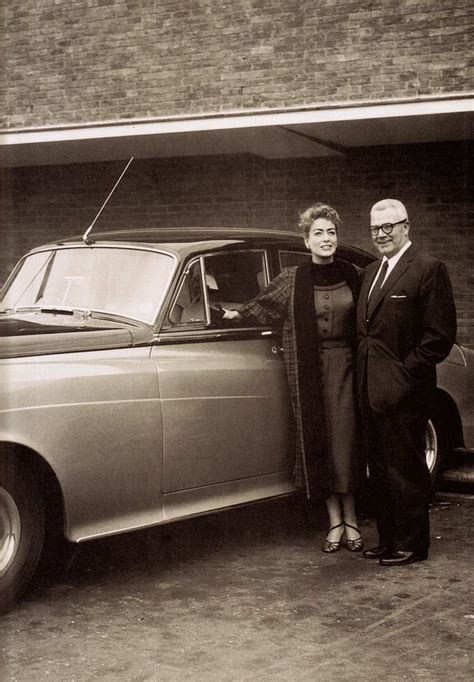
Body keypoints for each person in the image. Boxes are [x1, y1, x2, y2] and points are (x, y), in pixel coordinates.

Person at [223, 203, 364, 554]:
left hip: (348, 368)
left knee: (348, 443)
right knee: (319, 442)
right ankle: (334, 521)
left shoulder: (355, 276)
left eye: (331, 232)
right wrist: (232, 313)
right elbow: (261, 307)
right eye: (318, 233)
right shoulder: (292, 279)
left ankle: (353, 519)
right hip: (309, 372)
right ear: (306, 241)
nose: (326, 238)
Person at [357, 198, 457, 566]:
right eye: (375, 229)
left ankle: (413, 544)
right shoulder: (370, 272)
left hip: (407, 392)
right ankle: (388, 540)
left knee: (407, 469)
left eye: (389, 227)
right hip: (371, 390)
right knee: (380, 469)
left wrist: (404, 374)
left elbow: (439, 335)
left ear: (406, 227)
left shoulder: (428, 268)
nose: (381, 234)